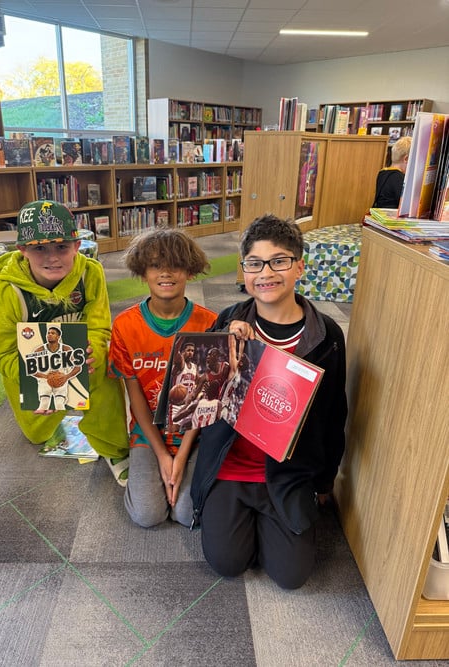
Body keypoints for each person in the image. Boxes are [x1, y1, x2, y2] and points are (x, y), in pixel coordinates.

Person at [187, 214, 348, 590]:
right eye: (255, 264)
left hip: (288, 472)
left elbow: (333, 413)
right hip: (231, 464)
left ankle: (270, 519)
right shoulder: (228, 319)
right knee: (227, 563)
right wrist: (226, 343)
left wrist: (324, 482)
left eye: (279, 261)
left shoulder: (326, 335)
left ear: (299, 267)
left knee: (291, 576)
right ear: (244, 271)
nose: (266, 273)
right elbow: (200, 395)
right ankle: (240, 515)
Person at [0, 199, 129, 483]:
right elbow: (4, 356)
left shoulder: (90, 273)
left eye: (62, 246)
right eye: (39, 248)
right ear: (22, 250)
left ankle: (114, 448)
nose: (52, 257)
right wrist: (38, 385)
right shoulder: (2, 293)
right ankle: (49, 409)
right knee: (38, 434)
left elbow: (100, 330)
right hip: (33, 375)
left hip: (81, 364)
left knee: (106, 365)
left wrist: (94, 353)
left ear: (77, 245)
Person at [108, 228, 217, 528]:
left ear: (190, 271)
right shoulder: (125, 325)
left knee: (186, 514)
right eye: (156, 265)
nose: (166, 273)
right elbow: (136, 398)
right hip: (148, 432)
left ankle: (187, 468)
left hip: (193, 432)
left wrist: (180, 458)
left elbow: (204, 402)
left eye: (176, 265)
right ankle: (144, 466)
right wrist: (161, 455)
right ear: (143, 272)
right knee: (147, 515)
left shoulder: (208, 323)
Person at [32, 324, 82, 413]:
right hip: (44, 379)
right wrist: (46, 377)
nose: (49, 335)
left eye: (53, 333)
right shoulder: (39, 350)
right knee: (44, 403)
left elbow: (78, 367)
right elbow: (31, 370)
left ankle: (61, 421)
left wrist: (66, 377)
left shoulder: (66, 349)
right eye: (48, 333)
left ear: (58, 336)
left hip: (61, 379)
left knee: (59, 404)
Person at [372, 136, 412, 208]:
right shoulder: (399, 177)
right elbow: (405, 204)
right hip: (390, 216)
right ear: (406, 159)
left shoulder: (382, 173)